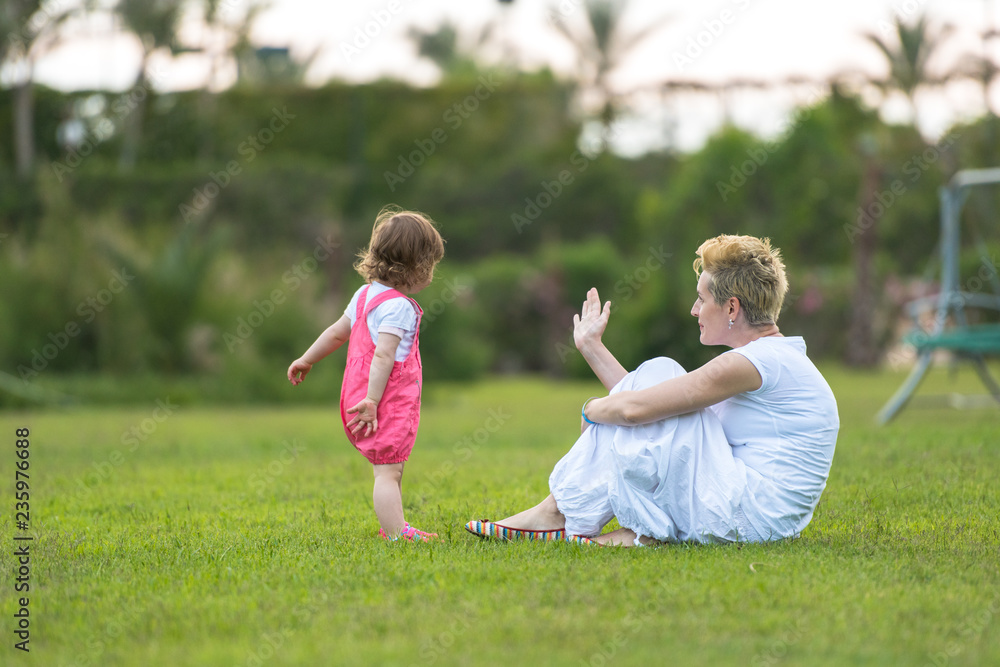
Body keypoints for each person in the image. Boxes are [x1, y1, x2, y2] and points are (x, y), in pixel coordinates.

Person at [466, 234, 839, 546]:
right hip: (756, 513)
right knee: (659, 385)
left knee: (661, 370)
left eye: (702, 299)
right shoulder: (769, 358)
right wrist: (593, 348)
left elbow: (636, 410)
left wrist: (590, 410)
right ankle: (640, 533)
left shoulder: (753, 362)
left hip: (751, 514)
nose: (695, 310)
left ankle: (558, 513)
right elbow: (656, 408)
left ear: (731, 307)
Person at [288, 206, 445, 542]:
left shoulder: (364, 296)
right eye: (430, 265)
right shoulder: (399, 306)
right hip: (382, 402)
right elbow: (384, 355)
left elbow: (335, 333)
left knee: (390, 468)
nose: (432, 274)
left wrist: (306, 358)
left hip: (354, 396)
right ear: (415, 266)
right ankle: (395, 534)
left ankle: (394, 524)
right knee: (388, 471)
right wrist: (373, 400)